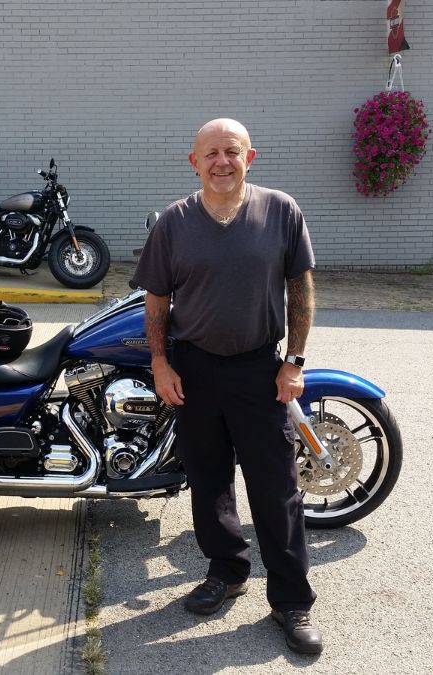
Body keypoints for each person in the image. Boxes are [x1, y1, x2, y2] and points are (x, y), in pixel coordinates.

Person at [130, 118, 322, 655]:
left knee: (276, 488)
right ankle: (227, 570)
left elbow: (300, 290)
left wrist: (294, 361)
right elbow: (157, 301)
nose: (222, 162)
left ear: (249, 157)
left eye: (231, 152)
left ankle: (291, 600)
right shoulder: (174, 222)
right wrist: (161, 363)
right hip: (194, 370)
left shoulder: (281, 211)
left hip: (260, 370)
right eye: (211, 153)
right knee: (209, 481)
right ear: (194, 162)